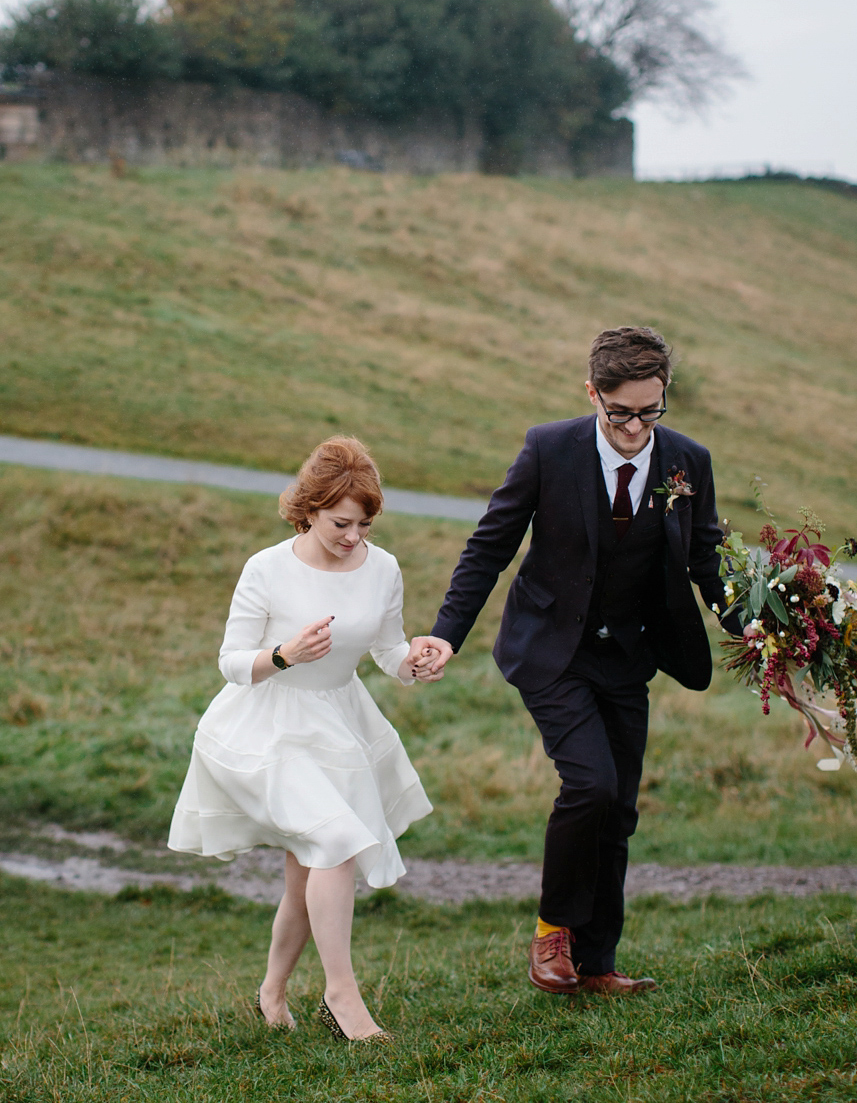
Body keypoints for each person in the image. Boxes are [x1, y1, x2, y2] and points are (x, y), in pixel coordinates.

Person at [408, 327, 741, 996]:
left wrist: (766, 632)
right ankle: (552, 932)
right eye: (621, 414)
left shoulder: (687, 462)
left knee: (618, 808)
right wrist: (449, 632)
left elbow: (708, 563)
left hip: (631, 656)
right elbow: (489, 545)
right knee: (589, 785)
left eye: (652, 412)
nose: (637, 428)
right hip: (550, 650)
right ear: (594, 394)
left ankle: (595, 963)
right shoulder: (548, 449)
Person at [169, 436, 437, 1042]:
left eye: (365, 524)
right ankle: (342, 998)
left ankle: (271, 993)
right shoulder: (267, 568)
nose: (354, 537)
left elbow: (388, 649)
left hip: (340, 725)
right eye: (342, 523)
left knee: (307, 872)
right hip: (268, 728)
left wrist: (414, 662)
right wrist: (284, 655)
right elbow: (231, 662)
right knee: (338, 844)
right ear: (309, 507)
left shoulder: (384, 566)